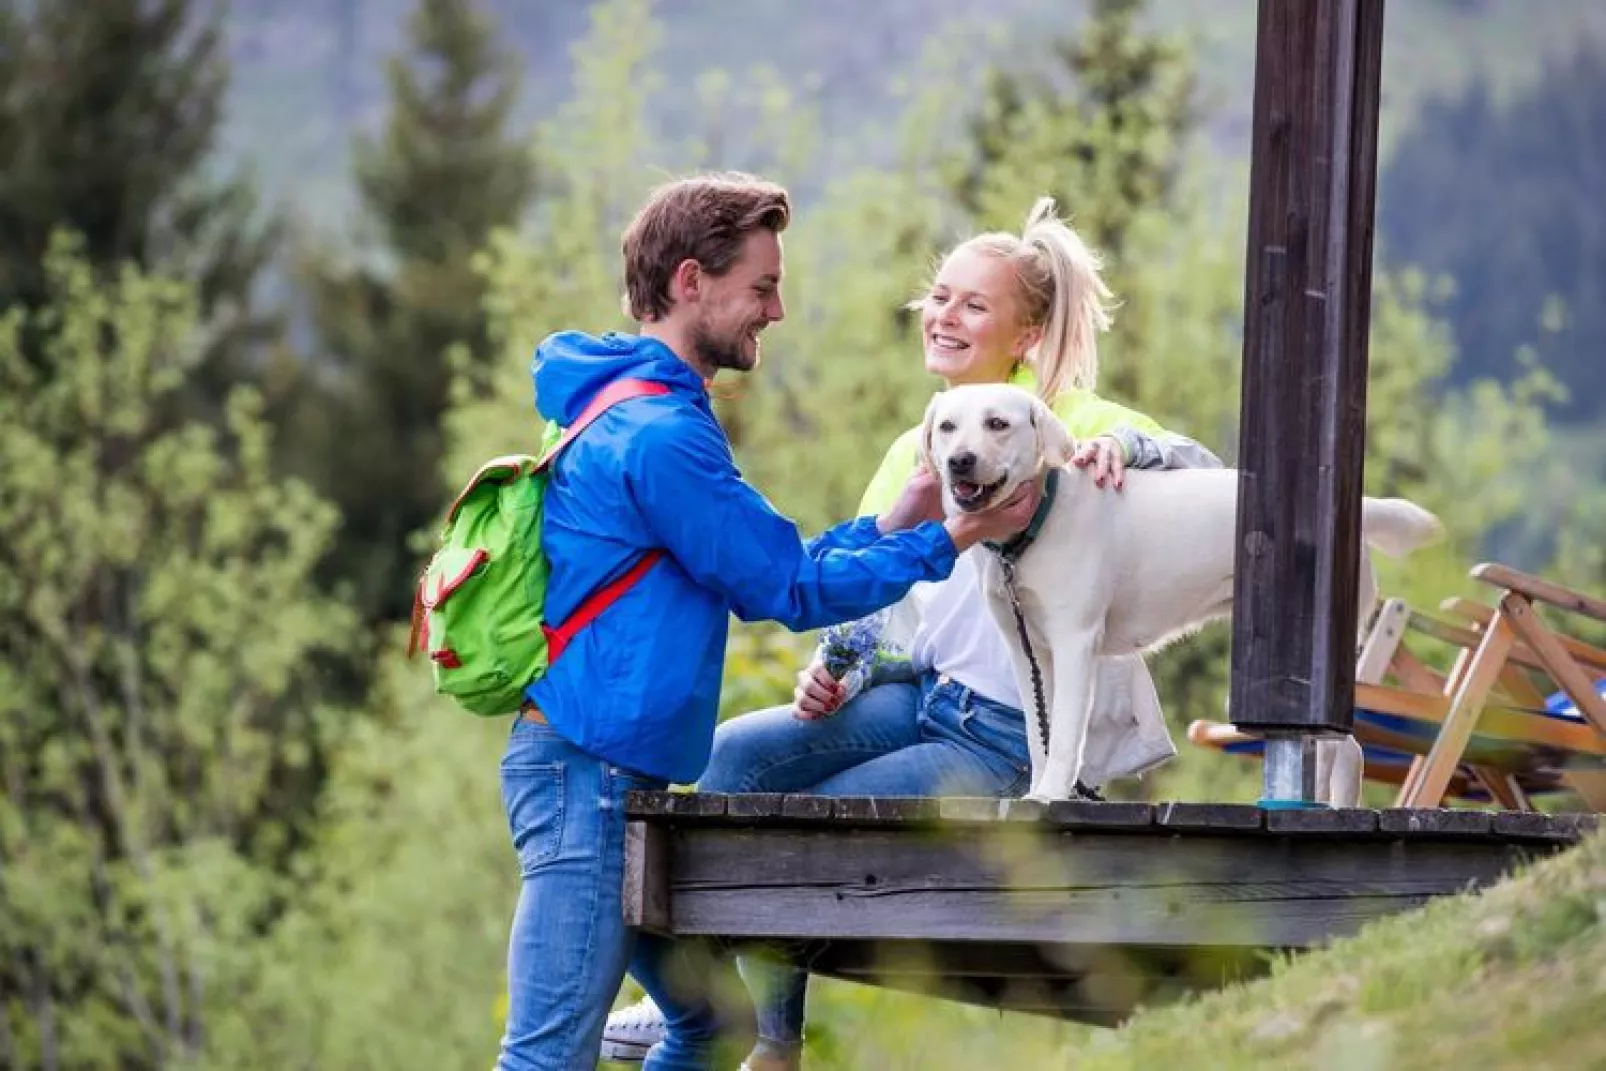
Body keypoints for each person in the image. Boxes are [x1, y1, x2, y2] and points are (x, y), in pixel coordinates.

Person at [600, 197, 1221, 1069]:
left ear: (1029, 329)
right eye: (939, 296)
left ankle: (767, 1042)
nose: (945, 315)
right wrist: (838, 671)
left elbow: (1202, 475)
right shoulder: (921, 443)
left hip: (1011, 732)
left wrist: (1131, 451)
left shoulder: (1068, 422)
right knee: (732, 762)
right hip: (926, 701)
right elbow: (878, 604)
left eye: (974, 303)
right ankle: (694, 1003)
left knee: (800, 825)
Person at [494, 171, 1038, 1071]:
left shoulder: (642, 408)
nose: (775, 310)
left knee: (718, 1028)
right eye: (761, 285)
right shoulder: (659, 436)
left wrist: (896, 520)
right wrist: (951, 533)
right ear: (689, 283)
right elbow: (785, 588)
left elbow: (773, 559)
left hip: (613, 777)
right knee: (548, 1056)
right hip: (582, 779)